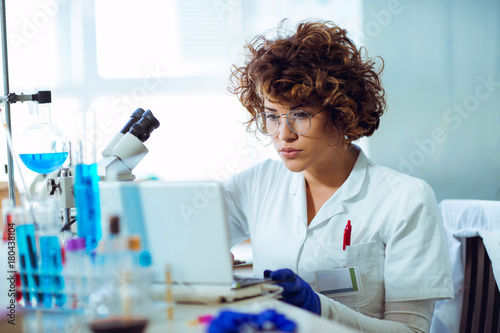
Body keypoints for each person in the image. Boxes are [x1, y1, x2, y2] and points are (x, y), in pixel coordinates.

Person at [223, 20, 454, 332]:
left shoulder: (405, 200)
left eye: (300, 115)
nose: (283, 135)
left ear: (342, 111)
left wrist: (320, 309)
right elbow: (180, 237)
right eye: (272, 116)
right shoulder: (255, 184)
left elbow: (410, 331)